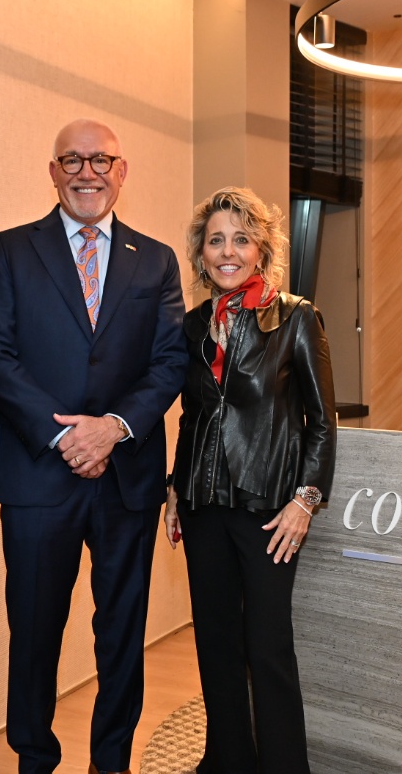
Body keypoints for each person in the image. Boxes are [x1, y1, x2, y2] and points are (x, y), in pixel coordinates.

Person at [0, 119, 187, 774]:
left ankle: (111, 762)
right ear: (53, 171)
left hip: (127, 477)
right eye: (72, 160)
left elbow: (170, 362)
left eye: (100, 160)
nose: (87, 172)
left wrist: (113, 427)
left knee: (122, 634)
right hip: (39, 473)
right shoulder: (8, 250)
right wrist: (66, 433)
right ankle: (34, 760)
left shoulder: (156, 260)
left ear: (122, 171)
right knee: (34, 634)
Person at [165, 187, 337, 774]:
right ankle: (226, 761)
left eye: (241, 239)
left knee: (267, 650)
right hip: (202, 507)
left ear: (262, 249)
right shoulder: (193, 326)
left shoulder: (296, 317)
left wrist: (305, 501)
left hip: (269, 512)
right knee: (215, 646)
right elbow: (192, 415)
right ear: (201, 254)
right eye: (216, 241)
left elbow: (322, 421)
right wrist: (175, 486)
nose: (228, 251)